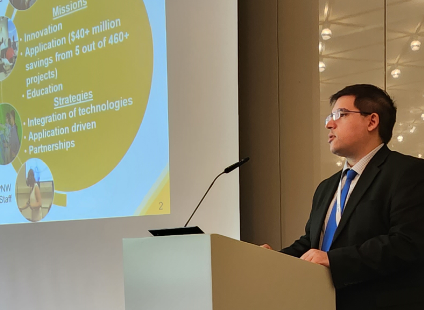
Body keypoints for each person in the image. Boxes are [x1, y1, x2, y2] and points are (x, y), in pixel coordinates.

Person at [262, 84, 424, 310]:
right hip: (321, 302)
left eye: (340, 115)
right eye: (330, 116)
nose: (329, 123)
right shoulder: (326, 187)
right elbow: (311, 244)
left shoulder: (408, 172)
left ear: (372, 121)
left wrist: (334, 260)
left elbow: (406, 244)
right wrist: (271, 260)